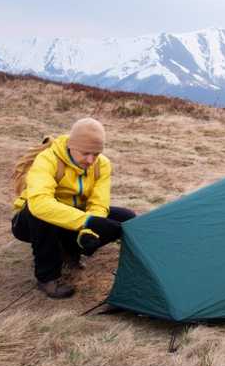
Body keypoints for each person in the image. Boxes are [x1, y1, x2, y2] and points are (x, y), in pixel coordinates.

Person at [10, 117, 136, 298]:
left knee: (125, 217)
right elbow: (39, 203)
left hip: (73, 218)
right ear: (72, 145)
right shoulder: (48, 159)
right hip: (29, 222)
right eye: (85, 153)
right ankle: (47, 277)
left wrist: (89, 231)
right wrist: (86, 221)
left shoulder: (102, 165)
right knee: (39, 212)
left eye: (96, 153)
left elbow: (98, 202)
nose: (91, 159)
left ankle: (71, 250)